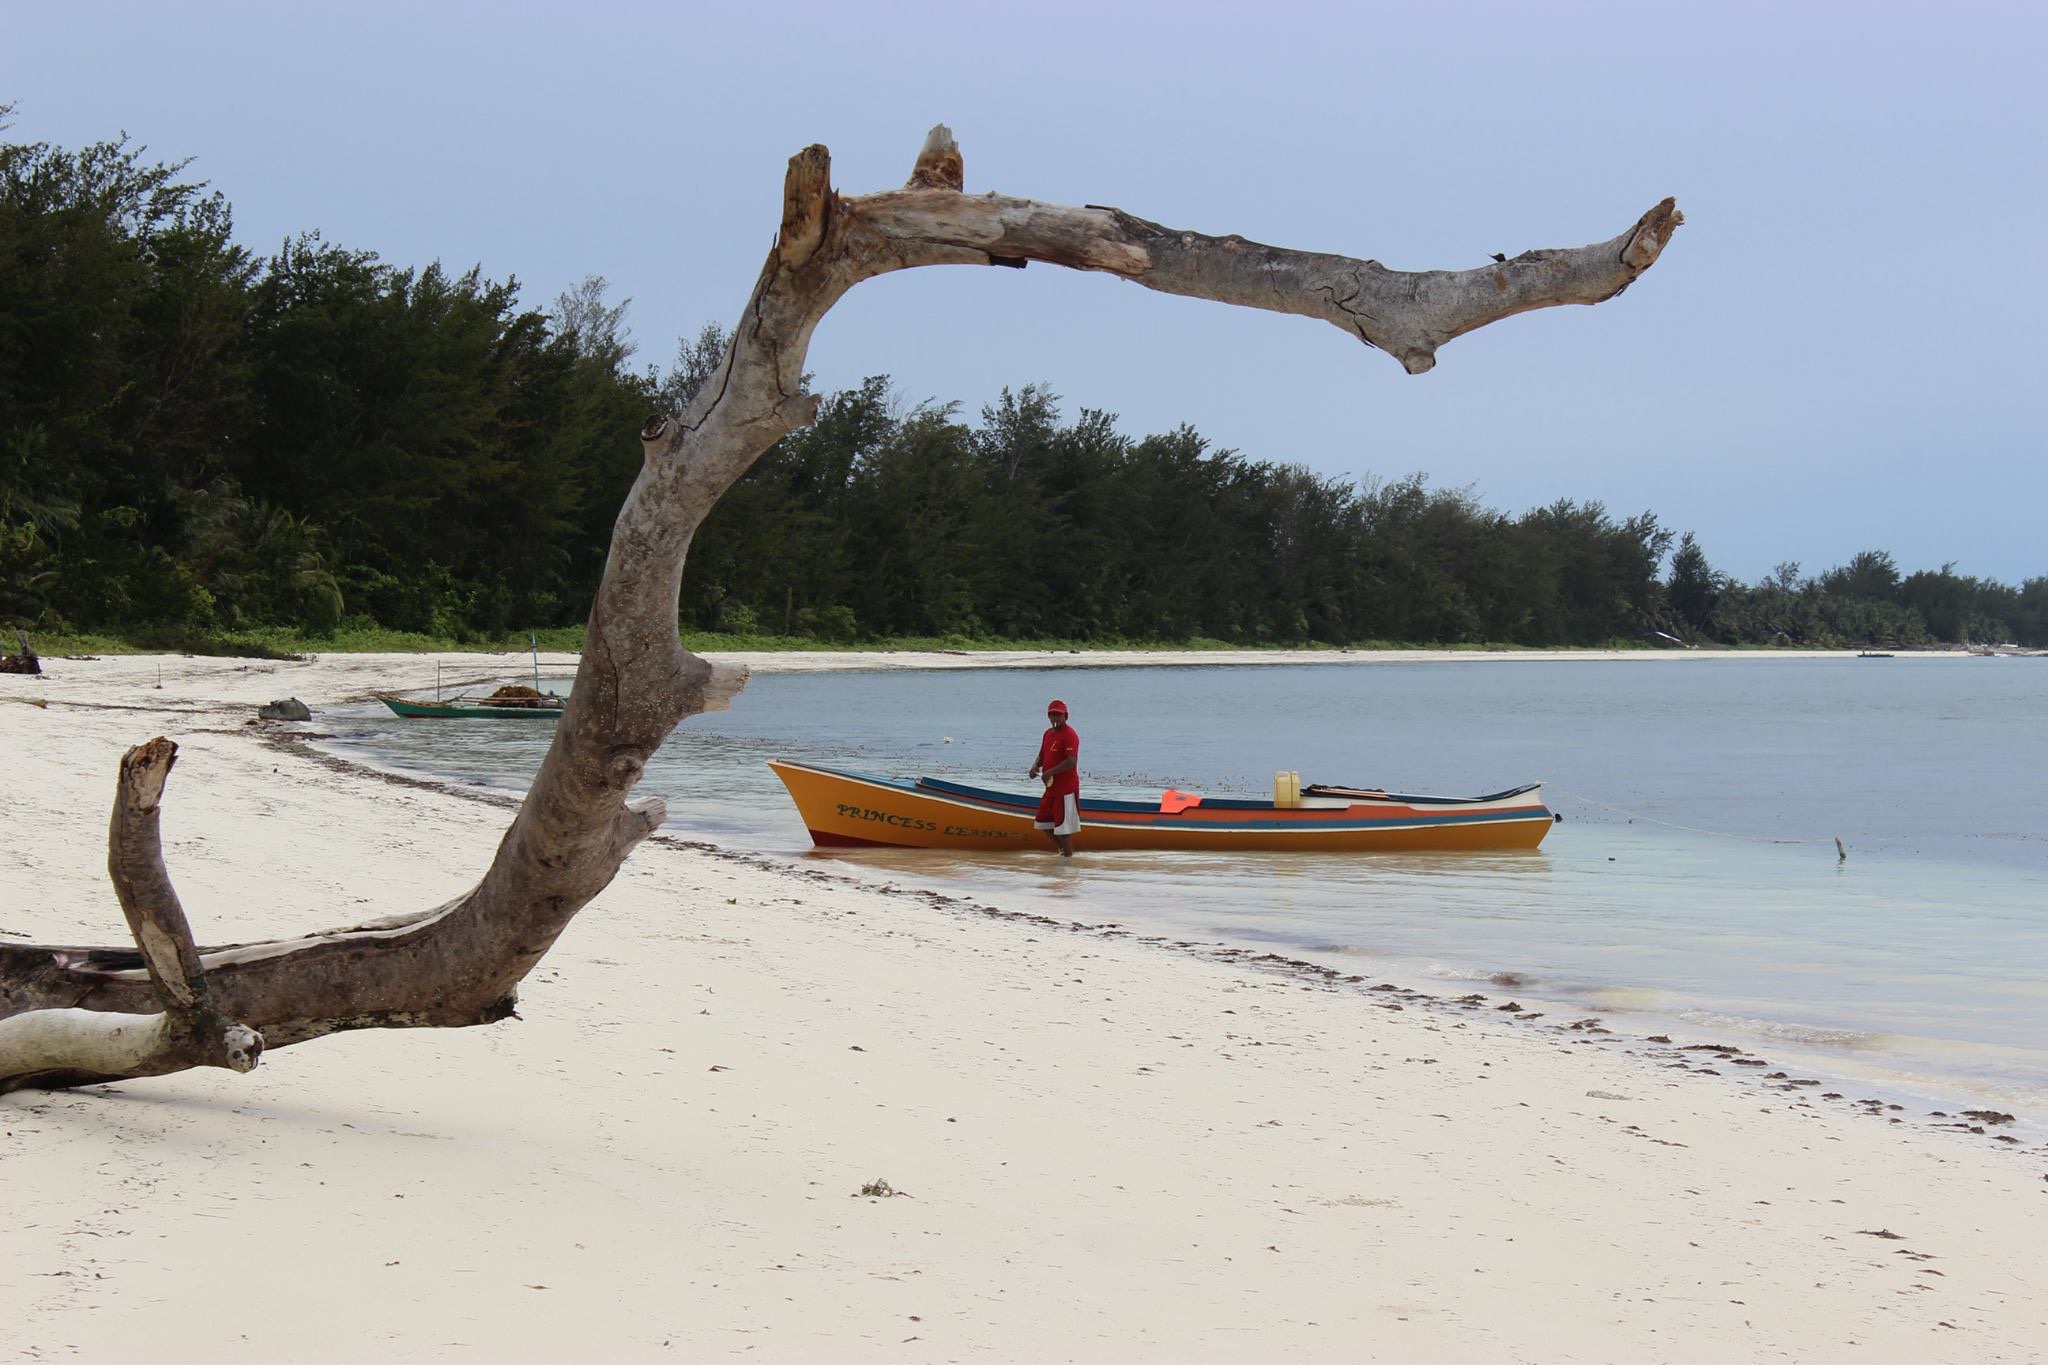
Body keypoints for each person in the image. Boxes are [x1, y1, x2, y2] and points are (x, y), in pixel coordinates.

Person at [1028, 698, 1081, 856]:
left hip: (1066, 789)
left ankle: (1068, 861)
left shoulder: (1070, 734)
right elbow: (1042, 754)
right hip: (1051, 788)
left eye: (1058, 715)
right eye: (1052, 715)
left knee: (1064, 830)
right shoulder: (1048, 733)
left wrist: (1051, 772)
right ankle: (1063, 852)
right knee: (1043, 823)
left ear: (1065, 716)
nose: (1055, 718)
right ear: (1048, 716)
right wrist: (1035, 766)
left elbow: (1071, 761)